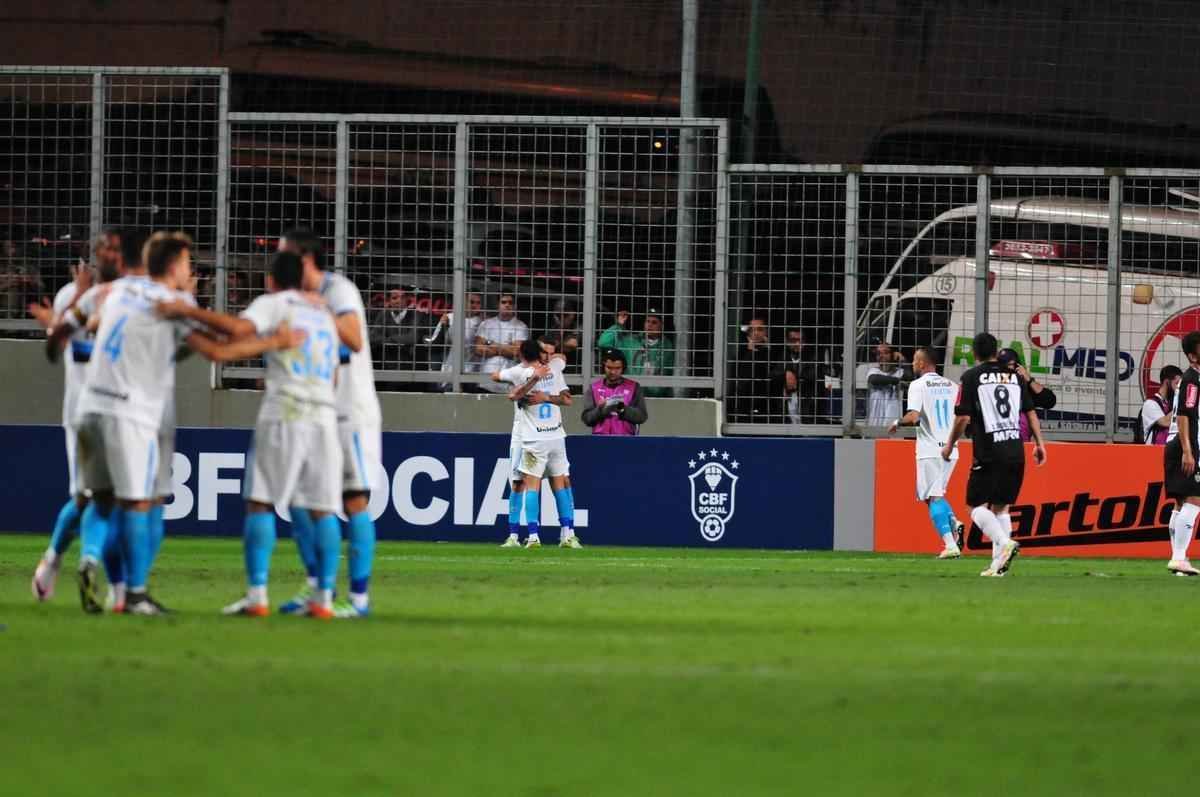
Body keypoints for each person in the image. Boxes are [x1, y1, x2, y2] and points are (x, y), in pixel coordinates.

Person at [55, 232, 297, 614]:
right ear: (172, 266)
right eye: (187, 263)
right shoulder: (174, 302)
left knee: (100, 500)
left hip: (88, 406)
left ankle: (89, 559)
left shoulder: (119, 290)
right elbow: (218, 350)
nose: (191, 271)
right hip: (128, 412)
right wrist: (275, 341)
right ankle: (134, 595)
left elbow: (81, 328)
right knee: (136, 504)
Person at [164, 251, 344, 617]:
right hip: (325, 414)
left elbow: (236, 331)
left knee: (260, 501)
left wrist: (185, 309)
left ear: (271, 280)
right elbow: (336, 371)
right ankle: (324, 599)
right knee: (322, 510)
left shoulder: (274, 303)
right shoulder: (324, 313)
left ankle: (257, 594)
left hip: (287, 411)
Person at [271, 229, 384, 618]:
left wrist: (317, 310)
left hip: (348, 412)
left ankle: (358, 600)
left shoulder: (339, 291)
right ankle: (318, 588)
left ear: (305, 259)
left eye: (283, 255)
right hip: (312, 410)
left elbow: (353, 338)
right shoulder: (289, 300)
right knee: (300, 503)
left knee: (354, 502)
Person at [27, 228, 122, 602]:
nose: (112, 256)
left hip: (120, 410)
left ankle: (104, 577)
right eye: (106, 250)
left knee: (108, 498)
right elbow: (62, 341)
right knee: (86, 497)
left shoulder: (127, 296)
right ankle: (56, 559)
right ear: (95, 255)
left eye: (117, 250)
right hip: (82, 409)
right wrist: (78, 299)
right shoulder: (74, 295)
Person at [942, 332, 1048, 578]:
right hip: (1015, 449)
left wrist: (949, 445)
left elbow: (963, 417)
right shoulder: (1015, 377)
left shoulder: (971, 377)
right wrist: (1040, 444)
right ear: (995, 351)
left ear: (975, 353)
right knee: (1001, 508)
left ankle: (1004, 544)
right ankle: (997, 566)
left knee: (975, 507)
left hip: (989, 451)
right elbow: (1030, 413)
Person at [492, 338, 580, 548]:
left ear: (521, 354)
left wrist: (538, 389)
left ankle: (533, 536)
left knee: (532, 484)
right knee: (557, 483)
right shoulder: (554, 368)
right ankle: (566, 534)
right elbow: (567, 396)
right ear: (541, 353)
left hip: (534, 438)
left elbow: (513, 395)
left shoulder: (524, 374)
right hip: (555, 436)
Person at [888, 347, 966, 559]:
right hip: (951, 448)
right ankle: (954, 522)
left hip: (930, 450)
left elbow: (913, 416)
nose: (913, 364)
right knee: (931, 495)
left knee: (933, 496)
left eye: (915, 360)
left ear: (922, 363)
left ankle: (950, 544)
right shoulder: (952, 386)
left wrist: (897, 422)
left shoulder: (917, 385)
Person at [1162, 333, 1200, 576]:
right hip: (1184, 445)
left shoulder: (1193, 379)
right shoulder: (1192, 380)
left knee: (1180, 504)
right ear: (1193, 356)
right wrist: (1188, 450)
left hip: (1176, 445)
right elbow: (1186, 414)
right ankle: (1178, 558)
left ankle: (1179, 559)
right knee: (1195, 501)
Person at [597, 308, 675, 397]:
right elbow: (603, 343)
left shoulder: (667, 345)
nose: (649, 325)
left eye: (654, 322)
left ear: (661, 326)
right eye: (647, 321)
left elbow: (668, 372)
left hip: (656, 397)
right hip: (630, 394)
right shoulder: (631, 341)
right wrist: (618, 325)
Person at [582, 348, 648, 435]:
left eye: (617, 368)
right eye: (609, 367)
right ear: (603, 366)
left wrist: (623, 409)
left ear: (623, 368)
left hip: (626, 440)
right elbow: (587, 419)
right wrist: (600, 410)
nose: (613, 372)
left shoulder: (634, 387)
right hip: (600, 441)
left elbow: (642, 416)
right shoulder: (594, 388)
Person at [997, 348, 1057, 441]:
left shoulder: (1024, 385)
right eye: (1002, 365)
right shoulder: (991, 384)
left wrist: (1029, 380)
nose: (1005, 368)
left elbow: (1050, 401)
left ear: (1017, 366)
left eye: (1009, 364)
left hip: (1019, 440)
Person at [475, 293, 529, 393]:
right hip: (486, 381)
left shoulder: (521, 327)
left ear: (515, 306)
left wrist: (489, 343)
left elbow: (516, 352)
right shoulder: (486, 324)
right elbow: (478, 350)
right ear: (497, 304)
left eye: (510, 303)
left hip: (509, 383)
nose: (507, 305)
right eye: (503, 302)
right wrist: (507, 348)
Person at [729, 314, 773, 422]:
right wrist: (750, 352)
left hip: (767, 409)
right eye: (752, 330)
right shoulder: (741, 355)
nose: (756, 333)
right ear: (748, 333)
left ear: (766, 332)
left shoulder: (773, 355)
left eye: (760, 329)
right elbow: (741, 383)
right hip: (744, 410)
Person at [437, 291, 485, 385]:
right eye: (471, 302)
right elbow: (441, 343)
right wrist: (444, 327)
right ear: (464, 302)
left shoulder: (483, 322)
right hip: (452, 367)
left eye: (478, 303)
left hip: (473, 370)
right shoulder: (449, 317)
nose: (475, 305)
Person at [776, 328, 819, 424]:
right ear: (786, 341)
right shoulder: (780, 356)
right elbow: (772, 374)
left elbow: (814, 375)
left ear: (805, 341)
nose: (797, 344)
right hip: (783, 413)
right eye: (793, 340)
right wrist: (785, 375)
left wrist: (793, 376)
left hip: (807, 411)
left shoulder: (812, 357)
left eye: (800, 340)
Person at [865, 341, 908, 427]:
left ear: (893, 355)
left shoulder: (899, 372)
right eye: (878, 353)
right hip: (875, 424)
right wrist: (898, 381)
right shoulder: (873, 371)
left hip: (893, 425)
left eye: (885, 353)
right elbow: (873, 379)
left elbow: (909, 376)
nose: (881, 356)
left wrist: (903, 360)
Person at [1140, 365, 1182, 445]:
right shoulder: (1150, 403)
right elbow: (1165, 422)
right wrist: (1180, 401)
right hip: (1154, 451)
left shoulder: (1171, 403)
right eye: (1177, 383)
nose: (1178, 388)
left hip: (1171, 450)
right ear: (1167, 382)